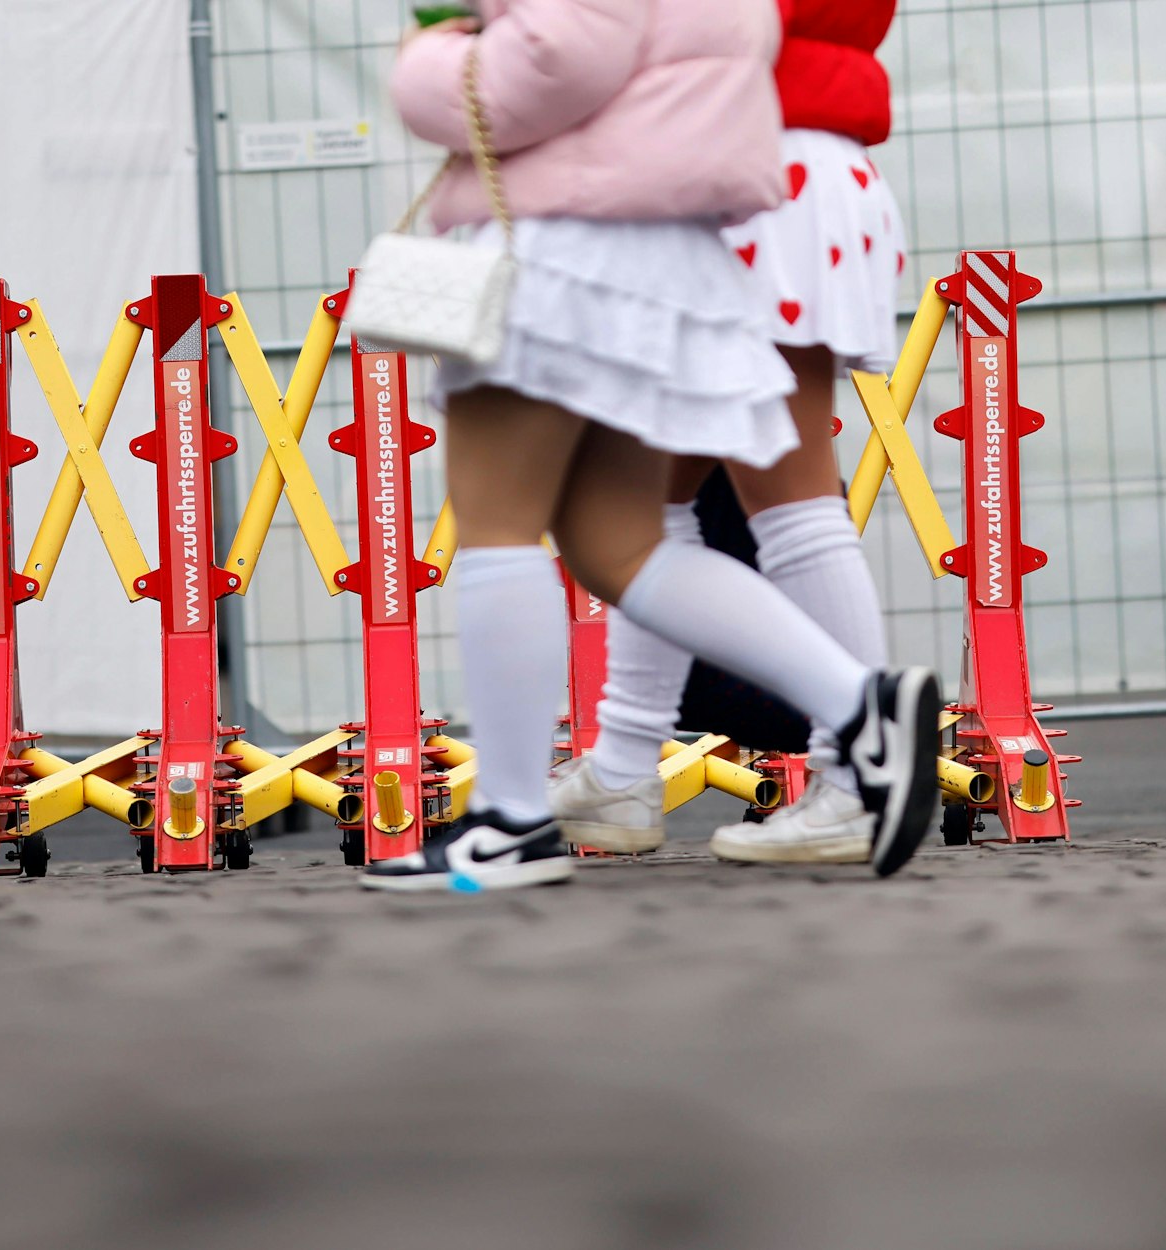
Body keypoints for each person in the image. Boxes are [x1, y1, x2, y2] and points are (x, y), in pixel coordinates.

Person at [361, 0, 939, 893]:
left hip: (565, 239)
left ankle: (510, 818)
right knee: (621, 540)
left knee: (499, 523)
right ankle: (860, 706)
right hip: (653, 245)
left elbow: (554, 57)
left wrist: (430, 58)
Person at [548, 0, 909, 866]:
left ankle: (858, 768)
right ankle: (626, 768)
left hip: (737, 169)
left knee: (773, 494)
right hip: (789, 164)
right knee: (660, 499)